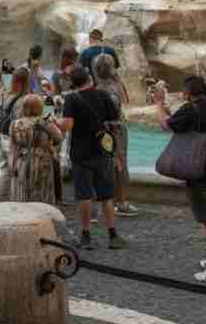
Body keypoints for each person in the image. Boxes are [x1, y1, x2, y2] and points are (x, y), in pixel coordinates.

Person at [153, 76, 206, 283]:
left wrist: (159, 103)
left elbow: (165, 125)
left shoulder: (190, 109)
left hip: (199, 170)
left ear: (188, 93)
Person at [59, 67, 125, 251]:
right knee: (107, 195)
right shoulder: (103, 95)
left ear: (73, 82)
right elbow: (115, 118)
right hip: (103, 150)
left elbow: (68, 125)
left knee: (84, 195)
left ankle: (86, 235)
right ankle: (112, 235)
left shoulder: (71, 98)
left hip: (81, 153)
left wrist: (56, 121)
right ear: (89, 79)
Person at [93, 53, 133, 214]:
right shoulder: (114, 87)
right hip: (116, 131)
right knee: (120, 164)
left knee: (106, 164)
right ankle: (121, 202)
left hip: (102, 132)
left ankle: (108, 201)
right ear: (112, 70)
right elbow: (125, 100)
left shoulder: (96, 89)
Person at [9, 95, 63, 204]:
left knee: (22, 191)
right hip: (42, 161)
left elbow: (13, 146)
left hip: (21, 160)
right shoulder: (46, 123)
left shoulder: (15, 124)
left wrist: (13, 164)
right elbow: (59, 138)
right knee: (41, 193)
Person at [0, 67, 33, 198]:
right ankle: (15, 199)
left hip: (3, 134)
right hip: (15, 137)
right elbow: (21, 121)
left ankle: (0, 198)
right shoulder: (24, 99)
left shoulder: (4, 92)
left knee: (4, 167)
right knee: (17, 169)